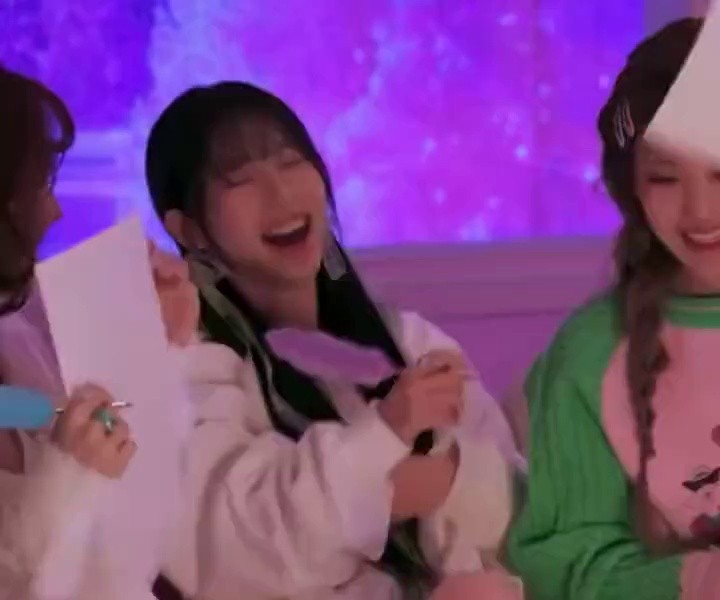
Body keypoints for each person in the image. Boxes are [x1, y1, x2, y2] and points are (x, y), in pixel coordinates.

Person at [145, 81, 522, 599]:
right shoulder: (192, 366)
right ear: (188, 229)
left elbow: (526, 511)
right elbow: (238, 551)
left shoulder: (409, 341)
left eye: (289, 162)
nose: (281, 196)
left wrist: (444, 480)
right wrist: (388, 454)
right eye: (241, 180)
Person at [506, 17, 720, 599]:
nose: (700, 211)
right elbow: (564, 566)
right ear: (633, 187)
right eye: (665, 177)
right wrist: (701, 580)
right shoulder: (592, 353)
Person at [0, 66, 194, 600]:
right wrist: (69, 473)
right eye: (38, 186)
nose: (54, 210)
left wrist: (160, 343)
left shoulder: (18, 347)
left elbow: (140, 528)